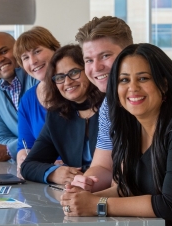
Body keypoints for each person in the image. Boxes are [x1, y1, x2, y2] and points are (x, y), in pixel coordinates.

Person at [61, 43, 172, 225]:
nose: (132, 88)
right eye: (124, 80)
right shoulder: (129, 123)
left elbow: (171, 205)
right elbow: (127, 186)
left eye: (143, 78)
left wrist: (96, 205)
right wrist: (82, 199)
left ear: (163, 83)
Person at [21, 44, 104, 184]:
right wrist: (53, 173)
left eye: (74, 72)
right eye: (59, 77)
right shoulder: (56, 116)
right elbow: (28, 166)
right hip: (76, 192)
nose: (67, 82)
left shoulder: (110, 108)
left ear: (88, 70)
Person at [71, 16, 133, 192]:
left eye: (105, 56)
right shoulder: (109, 104)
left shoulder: (149, 100)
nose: (96, 68)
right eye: (89, 60)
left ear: (129, 53)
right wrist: (84, 185)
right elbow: (104, 167)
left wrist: (97, 201)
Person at [13, 26, 61, 176]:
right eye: (25, 57)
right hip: (47, 175)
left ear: (55, 50)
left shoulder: (72, 90)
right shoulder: (28, 99)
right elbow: (24, 145)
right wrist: (22, 158)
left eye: (37, 51)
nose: (32, 61)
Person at [0, 32, 38, 160]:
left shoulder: (37, 78)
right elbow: (0, 138)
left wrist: (10, 149)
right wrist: (20, 149)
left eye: (3, 51)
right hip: (21, 163)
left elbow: (43, 131)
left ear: (17, 49)